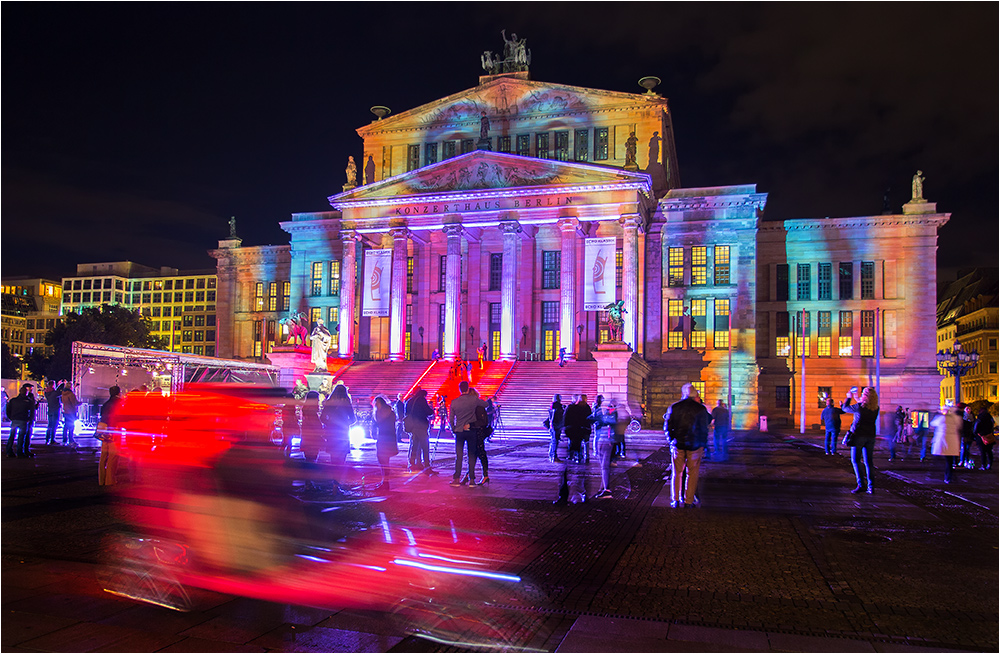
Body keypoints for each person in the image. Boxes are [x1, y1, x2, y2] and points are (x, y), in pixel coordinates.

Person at [664, 383, 711, 508]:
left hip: (677, 444)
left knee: (676, 473)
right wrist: (703, 444)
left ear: (682, 394)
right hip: (695, 446)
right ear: (695, 394)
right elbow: (704, 429)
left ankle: (675, 499)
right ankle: (689, 500)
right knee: (692, 474)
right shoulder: (700, 409)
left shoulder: (674, 407)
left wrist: (671, 440)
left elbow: (667, 427)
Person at [841, 387, 879, 494]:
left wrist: (848, 398)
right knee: (869, 462)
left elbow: (845, 408)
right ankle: (871, 487)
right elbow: (864, 406)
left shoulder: (858, 407)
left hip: (858, 436)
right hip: (870, 436)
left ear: (865, 396)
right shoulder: (876, 408)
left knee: (856, 460)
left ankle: (861, 484)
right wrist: (857, 398)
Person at [449, 380, 486, 486]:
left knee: (459, 455)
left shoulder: (454, 402)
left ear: (460, 389)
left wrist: (453, 428)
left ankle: (456, 478)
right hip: (471, 430)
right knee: (471, 454)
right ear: (468, 388)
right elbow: (486, 404)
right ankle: (472, 479)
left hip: (459, 431)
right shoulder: (473, 400)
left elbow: (451, 418)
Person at [557, 394, 591, 504]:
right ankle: (582, 494)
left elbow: (566, 422)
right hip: (578, 438)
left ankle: (564, 497)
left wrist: (568, 432)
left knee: (567, 470)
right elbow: (588, 422)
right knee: (579, 470)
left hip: (574, 438)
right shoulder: (585, 408)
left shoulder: (572, 408)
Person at [320, 384, 356, 471]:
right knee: (342, 456)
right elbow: (353, 419)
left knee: (333, 455)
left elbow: (322, 417)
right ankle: (339, 477)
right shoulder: (346, 403)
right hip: (343, 431)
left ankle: (334, 479)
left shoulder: (329, 403)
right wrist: (345, 424)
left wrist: (329, 423)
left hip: (332, 431)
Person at [592, 399, 620, 499]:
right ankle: (603, 487)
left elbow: (611, 426)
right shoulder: (609, 414)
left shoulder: (613, 415)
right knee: (603, 467)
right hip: (603, 441)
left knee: (604, 466)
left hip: (607, 442)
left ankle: (606, 490)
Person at [405, 388, 436, 474]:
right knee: (425, 446)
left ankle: (412, 463)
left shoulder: (409, 401)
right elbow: (428, 411)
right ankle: (426, 465)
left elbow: (406, 413)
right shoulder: (422, 400)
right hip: (421, 425)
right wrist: (431, 410)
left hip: (413, 426)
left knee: (414, 445)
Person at [97, 386, 123, 485]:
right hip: (114, 430)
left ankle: (101, 479)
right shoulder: (119, 403)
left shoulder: (106, 403)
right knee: (113, 456)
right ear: (118, 393)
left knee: (103, 456)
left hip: (104, 430)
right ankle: (110, 480)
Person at [930, 404, 962, 483]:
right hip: (953, 441)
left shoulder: (942, 418)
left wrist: (938, 413)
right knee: (949, 460)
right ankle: (949, 476)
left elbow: (932, 423)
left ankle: (938, 475)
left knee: (938, 459)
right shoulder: (956, 418)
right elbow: (959, 426)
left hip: (943, 441)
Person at [371, 396, 398, 490]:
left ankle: (385, 482)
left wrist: (373, 432)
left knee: (383, 461)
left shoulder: (379, 413)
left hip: (383, 438)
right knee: (385, 461)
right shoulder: (391, 412)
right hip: (390, 438)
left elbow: (376, 424)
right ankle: (385, 482)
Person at [5, 384, 37, 458]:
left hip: (15, 419)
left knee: (12, 436)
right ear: (26, 392)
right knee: (21, 437)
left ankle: (9, 451)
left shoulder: (13, 400)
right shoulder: (29, 401)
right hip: (23, 420)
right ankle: (20, 452)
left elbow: (8, 410)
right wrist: (29, 419)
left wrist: (11, 417)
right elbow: (32, 411)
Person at [467, 388, 491, 485]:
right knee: (473, 454)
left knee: (480, 453)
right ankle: (469, 474)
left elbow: (483, 421)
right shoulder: (471, 407)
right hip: (472, 433)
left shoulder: (479, 407)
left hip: (478, 432)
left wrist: (471, 424)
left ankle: (485, 475)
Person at [298, 392, 325, 464]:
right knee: (312, 461)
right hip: (313, 441)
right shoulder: (312, 413)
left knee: (308, 460)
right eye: (317, 399)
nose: (318, 401)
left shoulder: (305, 410)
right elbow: (316, 426)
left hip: (307, 440)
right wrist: (322, 431)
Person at [548, 394, 564, 463]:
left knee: (553, 441)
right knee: (555, 441)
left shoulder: (552, 406)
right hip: (556, 426)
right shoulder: (558, 406)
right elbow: (557, 417)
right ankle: (554, 456)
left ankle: (551, 455)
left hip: (553, 426)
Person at [959, 405, 976, 469]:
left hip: (970, 435)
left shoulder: (972, 417)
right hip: (964, 434)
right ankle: (962, 461)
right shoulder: (963, 417)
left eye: (969, 409)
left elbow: (974, 425)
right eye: (967, 409)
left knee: (967, 448)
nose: (968, 410)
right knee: (963, 448)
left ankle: (966, 460)